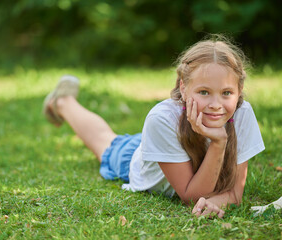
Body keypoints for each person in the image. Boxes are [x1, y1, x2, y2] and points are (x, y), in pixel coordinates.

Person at [42, 36, 265, 218]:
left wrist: (216, 202)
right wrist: (218, 141)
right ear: (184, 87)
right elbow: (192, 197)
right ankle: (62, 102)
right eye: (204, 92)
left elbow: (236, 192)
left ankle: (63, 102)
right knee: (106, 143)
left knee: (109, 138)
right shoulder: (162, 119)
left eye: (226, 93)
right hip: (144, 158)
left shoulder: (242, 113)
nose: (216, 105)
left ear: (239, 90)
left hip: (168, 147)